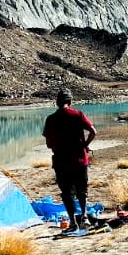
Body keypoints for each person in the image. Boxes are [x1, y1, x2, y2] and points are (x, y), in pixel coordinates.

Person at [43, 88, 97, 230]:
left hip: (61, 162)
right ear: (70, 102)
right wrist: (84, 145)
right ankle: (84, 217)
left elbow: (48, 144)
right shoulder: (78, 114)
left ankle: (73, 223)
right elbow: (93, 132)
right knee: (82, 190)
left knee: (66, 193)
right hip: (79, 160)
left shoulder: (51, 119)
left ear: (57, 103)